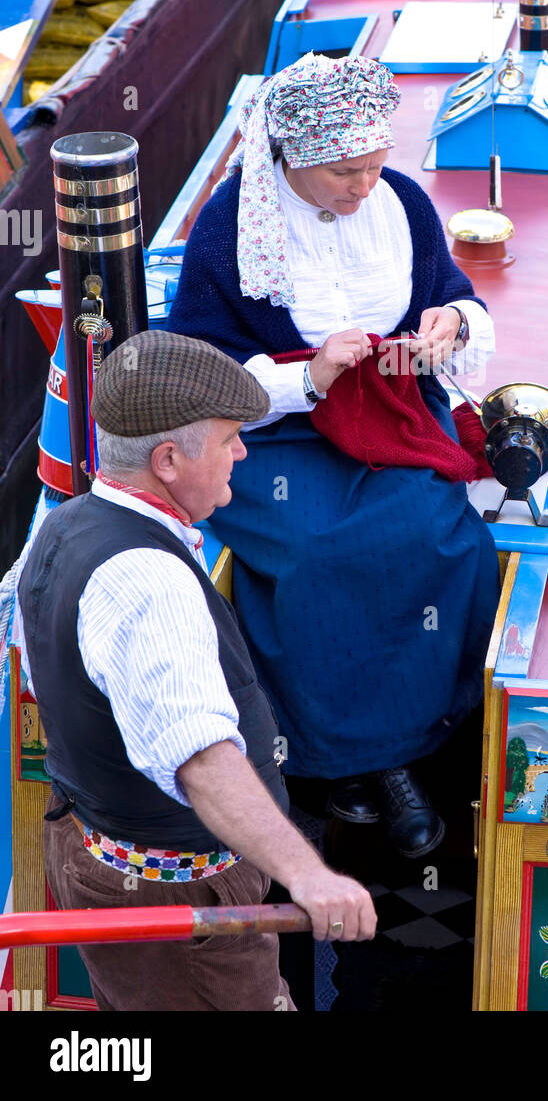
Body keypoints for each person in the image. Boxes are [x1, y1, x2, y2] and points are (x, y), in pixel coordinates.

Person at [166, 52, 501, 856]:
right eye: (345, 173)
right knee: (314, 551)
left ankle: (412, 744)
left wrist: (450, 324)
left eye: (374, 167)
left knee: (439, 536)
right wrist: (305, 376)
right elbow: (196, 371)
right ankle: (346, 762)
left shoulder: (401, 205)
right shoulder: (229, 228)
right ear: (292, 157)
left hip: (388, 412)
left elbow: (452, 292)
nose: (363, 188)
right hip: (272, 430)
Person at [14, 330, 376, 1012]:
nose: (243, 451)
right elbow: (202, 763)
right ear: (169, 459)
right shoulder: (151, 584)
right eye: (229, 439)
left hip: (100, 855)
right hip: (181, 907)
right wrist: (308, 876)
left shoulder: (65, 523)